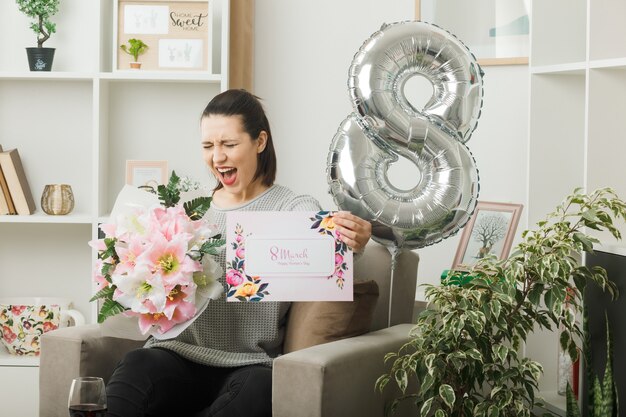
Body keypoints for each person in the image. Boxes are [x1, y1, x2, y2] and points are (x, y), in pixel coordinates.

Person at [105, 89, 372, 417]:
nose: (217, 157)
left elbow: (327, 261)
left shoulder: (292, 208)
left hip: (249, 365)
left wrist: (353, 243)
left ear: (260, 142)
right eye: (208, 146)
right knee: (137, 364)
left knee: (261, 388)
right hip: (175, 354)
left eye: (229, 145)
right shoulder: (185, 209)